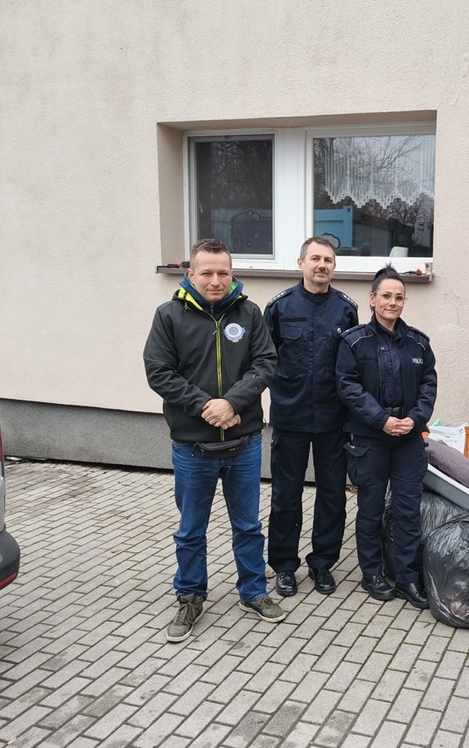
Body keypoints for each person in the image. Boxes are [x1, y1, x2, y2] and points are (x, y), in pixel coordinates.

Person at [144, 238, 282, 643]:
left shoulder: (250, 313)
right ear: (191, 274)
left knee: (249, 526)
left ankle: (253, 593)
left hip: (244, 443)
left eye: (223, 272)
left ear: (232, 273)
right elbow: (159, 372)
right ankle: (189, 596)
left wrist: (234, 403)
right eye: (207, 272)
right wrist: (209, 406)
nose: (216, 280)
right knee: (191, 529)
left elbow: (265, 363)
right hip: (192, 447)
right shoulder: (168, 316)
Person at [336, 265, 437, 609]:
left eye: (399, 297)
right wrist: (382, 421)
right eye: (386, 296)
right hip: (370, 438)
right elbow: (347, 387)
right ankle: (372, 573)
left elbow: (428, 385)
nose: (392, 303)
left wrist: (414, 419)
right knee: (371, 507)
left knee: (408, 509)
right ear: (372, 299)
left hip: (408, 438)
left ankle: (408, 577)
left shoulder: (418, 343)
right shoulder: (354, 341)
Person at [264, 236, 359, 598]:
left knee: (333, 494)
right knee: (286, 496)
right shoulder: (279, 307)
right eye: (315, 258)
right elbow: (264, 360)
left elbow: (351, 365)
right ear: (300, 262)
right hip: (290, 417)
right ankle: (285, 566)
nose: (322, 265)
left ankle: (322, 563)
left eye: (328, 260)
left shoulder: (346, 310)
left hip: (334, 420)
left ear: (334, 267)